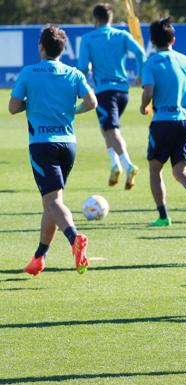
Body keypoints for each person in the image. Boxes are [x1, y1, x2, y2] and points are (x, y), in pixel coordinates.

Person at [9, 25, 97, 276]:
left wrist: (30, 103)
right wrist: (73, 111)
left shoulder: (29, 73)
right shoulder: (73, 73)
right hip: (68, 144)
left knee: (53, 201)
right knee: (51, 202)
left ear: (41, 47)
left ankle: (74, 238)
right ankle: (39, 257)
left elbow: (13, 107)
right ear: (62, 49)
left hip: (42, 144)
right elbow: (92, 102)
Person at [140, 17, 186, 227]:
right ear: (173, 39)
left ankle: (163, 216)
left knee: (155, 169)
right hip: (185, 121)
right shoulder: (185, 60)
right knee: (180, 171)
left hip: (162, 122)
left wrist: (144, 105)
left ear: (152, 40)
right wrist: (185, 100)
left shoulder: (151, 62)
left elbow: (149, 90)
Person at [78, 3, 145, 189]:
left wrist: (82, 83)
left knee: (112, 129)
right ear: (111, 19)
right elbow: (140, 51)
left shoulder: (88, 39)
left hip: (104, 92)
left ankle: (128, 165)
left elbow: (83, 67)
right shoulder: (122, 35)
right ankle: (115, 165)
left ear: (95, 19)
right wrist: (140, 73)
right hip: (123, 91)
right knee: (106, 127)